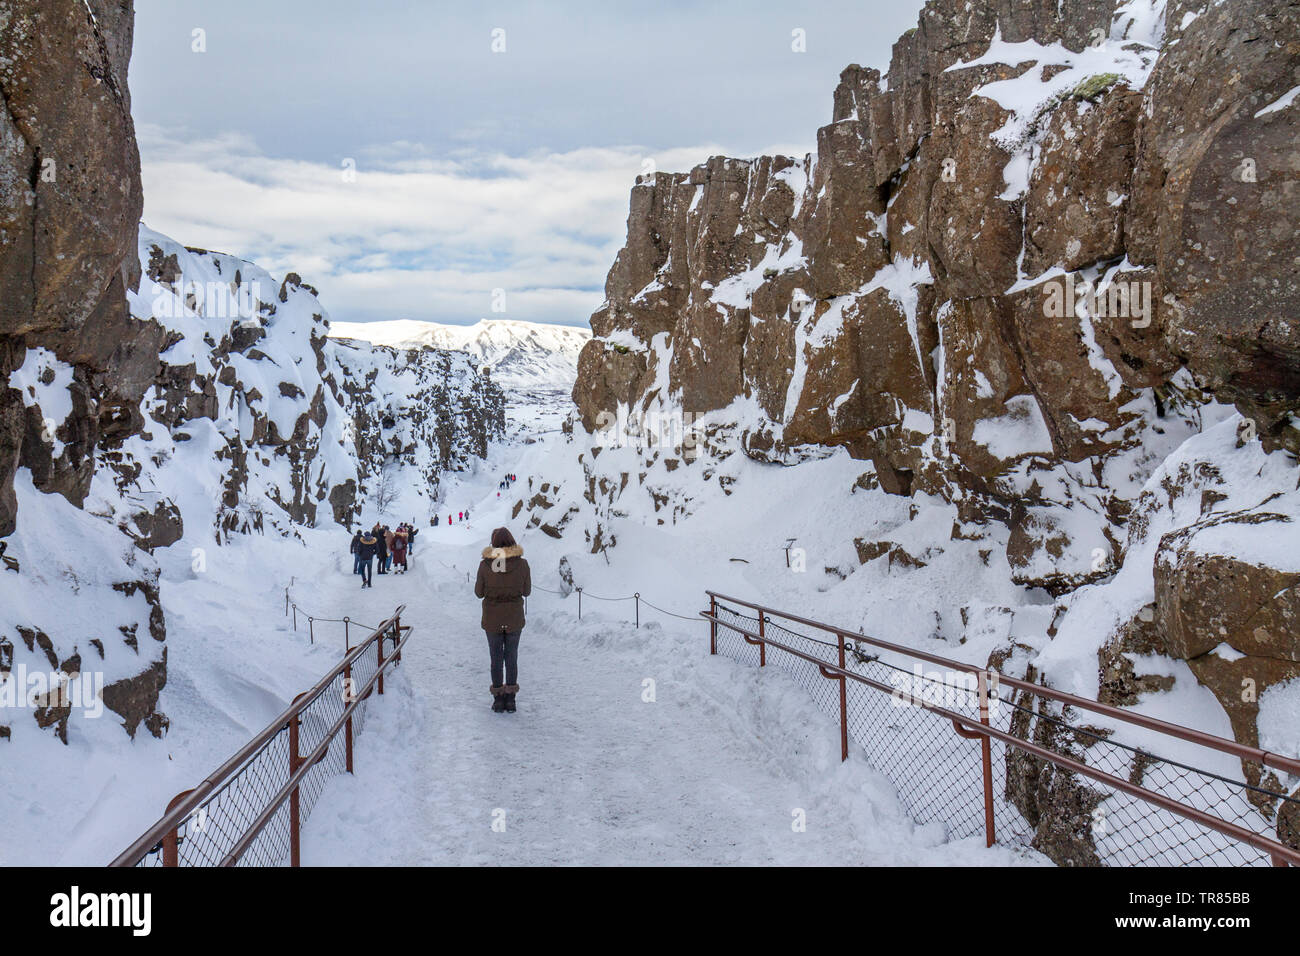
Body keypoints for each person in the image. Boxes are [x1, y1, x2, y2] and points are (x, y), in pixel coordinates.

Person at [474, 527, 531, 714]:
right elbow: (527, 591)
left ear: (494, 543)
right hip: (514, 616)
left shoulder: (485, 565)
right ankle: (511, 699)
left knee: (496, 658)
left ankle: (498, 699)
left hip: (492, 617)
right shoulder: (522, 564)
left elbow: (478, 593)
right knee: (512, 657)